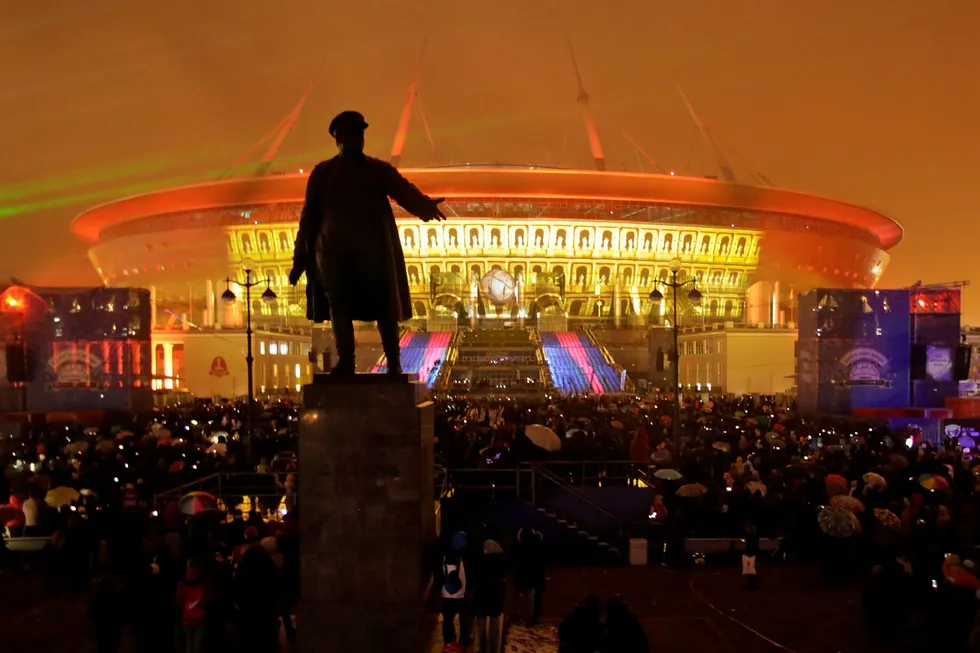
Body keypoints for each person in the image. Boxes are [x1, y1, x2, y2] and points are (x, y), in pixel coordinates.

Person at [289, 110, 446, 375]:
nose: (357, 139)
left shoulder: (376, 169)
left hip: (371, 252)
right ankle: (347, 362)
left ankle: (394, 365)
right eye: (351, 133)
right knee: (340, 308)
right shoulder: (322, 173)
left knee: (384, 306)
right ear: (338, 139)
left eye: (360, 133)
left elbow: (403, 190)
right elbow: (308, 218)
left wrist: (423, 206)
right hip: (334, 254)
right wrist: (300, 259)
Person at [473, 529, 507, 653]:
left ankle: (482, 647)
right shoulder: (501, 561)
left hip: (481, 596)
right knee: (495, 623)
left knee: (480, 624)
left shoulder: (480, 561)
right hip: (495, 597)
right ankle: (494, 648)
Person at [440, 531, 469, 652]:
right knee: (454, 617)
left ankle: (449, 641)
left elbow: (442, 573)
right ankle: (451, 642)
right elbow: (462, 577)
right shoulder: (460, 557)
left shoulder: (446, 556)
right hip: (458, 593)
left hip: (446, 592)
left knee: (448, 618)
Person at [514, 527, 546, 626]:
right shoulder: (539, 545)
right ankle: (532, 618)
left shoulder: (521, 547)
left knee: (526, 599)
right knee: (533, 598)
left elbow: (518, 563)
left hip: (526, 576)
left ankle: (527, 618)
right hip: (536, 576)